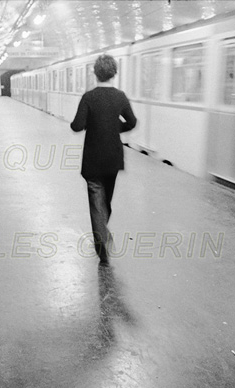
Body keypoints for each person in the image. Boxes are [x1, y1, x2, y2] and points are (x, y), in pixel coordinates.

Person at [70, 54, 137, 265]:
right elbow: (132, 122)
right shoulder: (120, 96)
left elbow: (77, 125)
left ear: (95, 73)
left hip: (93, 159)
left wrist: (92, 122)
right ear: (114, 73)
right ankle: (102, 235)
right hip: (113, 158)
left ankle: (102, 246)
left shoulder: (89, 97)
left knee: (97, 203)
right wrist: (114, 126)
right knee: (105, 202)